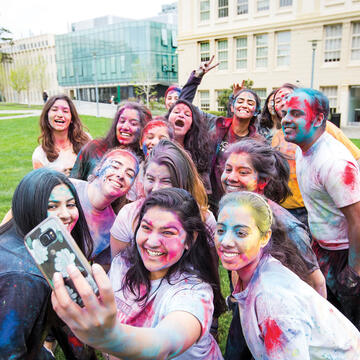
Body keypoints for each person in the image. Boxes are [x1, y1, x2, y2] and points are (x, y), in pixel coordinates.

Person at [51, 188, 225, 359]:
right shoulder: (122, 264)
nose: (152, 241)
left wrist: (110, 337)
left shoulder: (194, 293)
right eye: (146, 228)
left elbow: (163, 344)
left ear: (190, 239)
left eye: (168, 232)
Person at [216, 191, 360, 359]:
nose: (225, 241)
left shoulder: (273, 305)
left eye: (241, 233)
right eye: (220, 230)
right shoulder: (251, 271)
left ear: (265, 237)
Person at [220, 139, 325, 360]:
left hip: (278, 320)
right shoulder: (234, 211)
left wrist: (314, 332)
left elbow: (317, 283)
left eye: (243, 172)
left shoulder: (287, 227)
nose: (230, 177)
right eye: (228, 169)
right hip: (246, 312)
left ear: (263, 181)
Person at [282, 88, 360, 330]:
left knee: (352, 323)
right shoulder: (302, 147)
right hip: (323, 247)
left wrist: (355, 271)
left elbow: (358, 220)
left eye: (295, 113)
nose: (285, 119)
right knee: (329, 316)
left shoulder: (334, 163)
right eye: (285, 112)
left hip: (346, 253)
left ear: (318, 119)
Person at [0, 168, 95, 359]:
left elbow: (65, 322)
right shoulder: (23, 278)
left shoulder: (33, 244)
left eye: (71, 204)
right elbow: (8, 352)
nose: (66, 214)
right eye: (52, 206)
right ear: (28, 207)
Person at [110, 139, 215, 259]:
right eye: (150, 179)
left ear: (183, 182)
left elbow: (210, 270)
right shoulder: (129, 215)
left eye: (166, 181)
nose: (155, 189)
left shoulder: (204, 220)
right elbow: (116, 268)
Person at [71, 148, 139, 269]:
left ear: (130, 188)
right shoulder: (67, 188)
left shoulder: (113, 228)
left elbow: (101, 271)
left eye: (129, 174)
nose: (120, 175)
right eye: (115, 166)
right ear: (98, 168)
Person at [209, 88, 264, 214]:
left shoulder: (258, 142)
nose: (244, 105)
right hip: (212, 201)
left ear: (255, 111)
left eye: (250, 103)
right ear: (232, 107)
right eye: (240, 101)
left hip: (241, 204)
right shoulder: (217, 129)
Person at [70, 102, 148, 181]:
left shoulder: (144, 160)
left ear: (143, 129)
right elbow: (73, 182)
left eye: (133, 123)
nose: (125, 127)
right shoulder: (94, 148)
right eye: (122, 121)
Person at [32, 94, 91, 176]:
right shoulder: (40, 155)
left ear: (71, 118)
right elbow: (42, 187)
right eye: (54, 110)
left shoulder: (87, 141)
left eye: (65, 111)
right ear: (47, 116)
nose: (60, 115)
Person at [166, 99, 213, 192]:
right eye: (176, 112)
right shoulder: (155, 146)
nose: (181, 115)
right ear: (167, 118)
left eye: (187, 114)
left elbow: (205, 193)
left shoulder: (199, 155)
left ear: (191, 125)